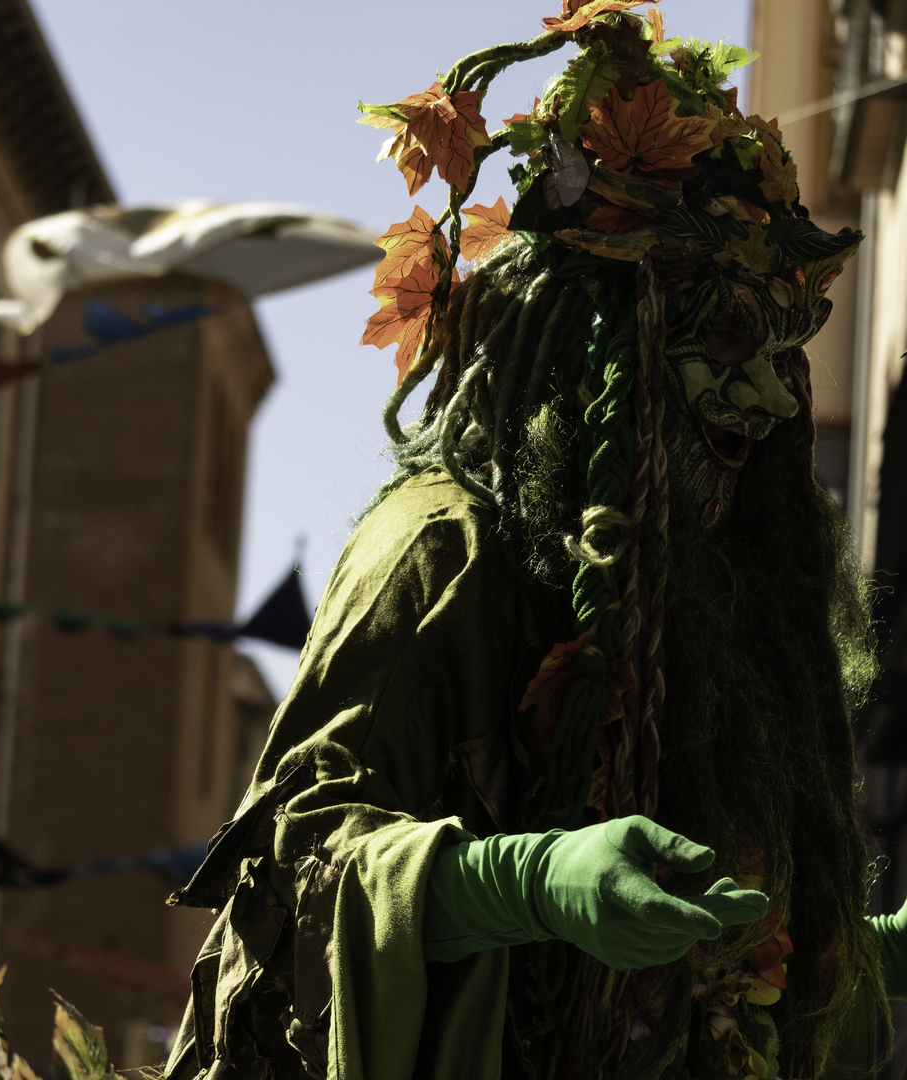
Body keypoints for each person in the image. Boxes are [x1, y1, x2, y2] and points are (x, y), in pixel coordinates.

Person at [164, 5, 907, 1078]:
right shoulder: (439, 551)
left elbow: (716, 978)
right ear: (598, 340)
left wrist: (868, 948)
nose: (762, 398)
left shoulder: (723, 608)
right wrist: (526, 882)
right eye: (727, 339)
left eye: (784, 354)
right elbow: (293, 875)